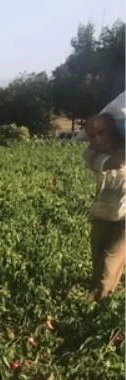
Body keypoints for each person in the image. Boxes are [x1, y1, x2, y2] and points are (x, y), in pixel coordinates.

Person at [82, 111, 126, 301]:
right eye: (92, 136)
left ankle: (93, 312)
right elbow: (117, 162)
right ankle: (109, 300)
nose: (97, 139)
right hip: (102, 216)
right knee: (99, 263)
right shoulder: (91, 154)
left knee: (108, 263)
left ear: (114, 130)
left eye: (103, 132)